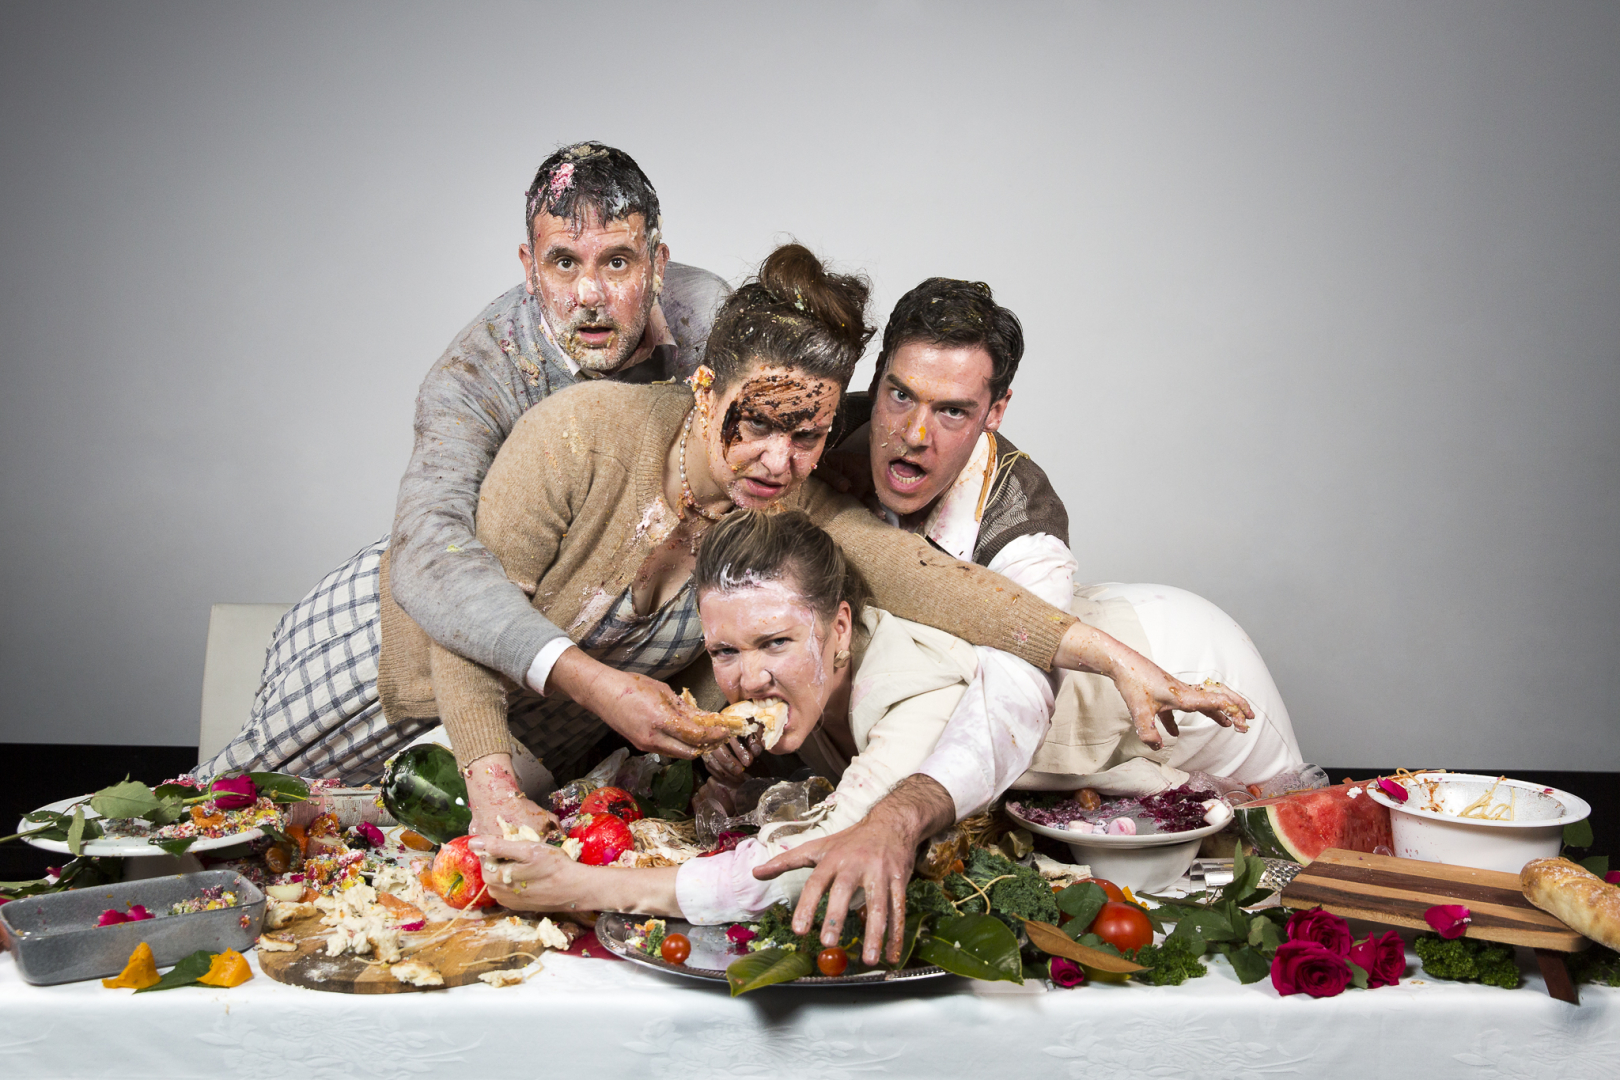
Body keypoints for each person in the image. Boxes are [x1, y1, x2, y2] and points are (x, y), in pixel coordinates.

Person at [398, 242, 1255, 849]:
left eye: (808, 433)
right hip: (412, 679)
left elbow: (936, 584)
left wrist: (1116, 662)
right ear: (705, 389)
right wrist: (489, 780)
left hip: (537, 735)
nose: (782, 460)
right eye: (759, 424)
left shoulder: (795, 496)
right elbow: (460, 608)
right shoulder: (577, 433)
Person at [756, 277, 1303, 960]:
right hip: (1081, 692)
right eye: (901, 395)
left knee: (1278, 867)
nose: (915, 435)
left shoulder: (1029, 533)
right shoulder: (822, 427)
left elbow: (1011, 698)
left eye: (953, 412)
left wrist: (900, 815)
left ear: (997, 410)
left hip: (1191, 672)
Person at [195, 141, 731, 784]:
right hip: (393, 655)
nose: (590, 294)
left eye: (617, 261)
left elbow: (782, 424)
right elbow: (429, 553)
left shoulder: (708, 324)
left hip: (558, 692)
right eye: (564, 263)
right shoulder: (478, 371)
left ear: (658, 262)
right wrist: (591, 683)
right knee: (232, 807)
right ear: (530, 268)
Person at [469, 510, 1056, 926]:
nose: (746, 681)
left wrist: (584, 886)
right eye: (725, 651)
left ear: (841, 628)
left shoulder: (912, 688)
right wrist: (727, 787)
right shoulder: (812, 686)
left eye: (775, 642)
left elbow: (822, 865)